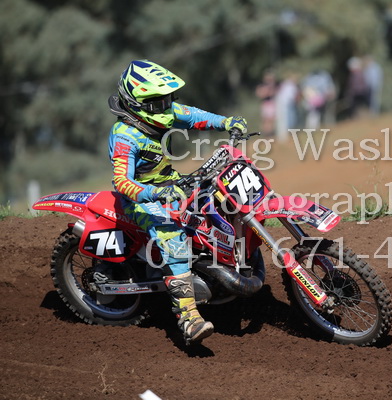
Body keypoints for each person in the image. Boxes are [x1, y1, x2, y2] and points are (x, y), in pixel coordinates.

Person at [107, 60, 247, 343]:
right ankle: (188, 318)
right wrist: (154, 194)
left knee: (220, 199)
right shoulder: (125, 136)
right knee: (173, 238)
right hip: (140, 198)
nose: (167, 107)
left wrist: (226, 122)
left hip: (172, 185)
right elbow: (121, 182)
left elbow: (193, 116)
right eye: (160, 102)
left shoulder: (162, 111)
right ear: (138, 104)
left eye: (169, 99)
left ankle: (226, 265)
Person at [255, 70, 278, 136]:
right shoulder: (262, 86)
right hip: (266, 103)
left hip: (272, 103)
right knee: (266, 120)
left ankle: (270, 133)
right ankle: (266, 133)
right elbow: (259, 93)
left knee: (272, 119)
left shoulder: (275, 86)